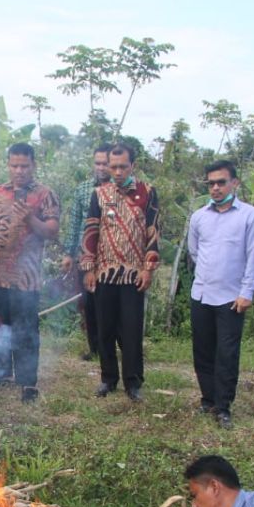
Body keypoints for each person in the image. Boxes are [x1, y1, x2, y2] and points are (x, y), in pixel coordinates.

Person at [0, 142, 60, 403]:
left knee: (25, 330)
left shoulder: (44, 195)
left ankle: (28, 382)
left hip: (25, 277)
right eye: (15, 165)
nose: (19, 171)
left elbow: (52, 231)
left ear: (33, 165)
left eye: (24, 166)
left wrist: (31, 219)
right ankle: (1, 373)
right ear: (8, 165)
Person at [187, 160, 254, 429]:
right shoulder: (199, 217)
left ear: (235, 183)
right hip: (202, 293)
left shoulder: (250, 216)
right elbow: (195, 252)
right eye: (211, 183)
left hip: (232, 298)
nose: (216, 188)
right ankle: (207, 399)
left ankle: (223, 406)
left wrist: (247, 292)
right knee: (202, 351)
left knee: (227, 354)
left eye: (221, 182)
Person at [79, 142, 160, 402]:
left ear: (132, 166)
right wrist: (88, 268)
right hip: (104, 273)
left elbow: (153, 232)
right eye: (113, 167)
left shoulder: (147, 193)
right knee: (105, 330)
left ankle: (133, 382)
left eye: (122, 166)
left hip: (133, 275)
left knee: (132, 330)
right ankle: (108, 378)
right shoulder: (99, 194)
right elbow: (91, 231)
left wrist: (148, 269)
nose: (117, 171)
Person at [60, 145, 111, 360]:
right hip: (86, 256)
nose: (101, 167)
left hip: (112, 256)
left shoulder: (120, 191)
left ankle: (112, 346)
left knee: (109, 302)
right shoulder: (82, 189)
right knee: (88, 303)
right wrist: (69, 253)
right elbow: (74, 224)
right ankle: (95, 347)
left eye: (105, 163)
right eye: (97, 163)